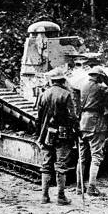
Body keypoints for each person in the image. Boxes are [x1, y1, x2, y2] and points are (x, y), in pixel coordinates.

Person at [78, 66, 108, 196]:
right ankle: (91, 188)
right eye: (102, 78)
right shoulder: (100, 87)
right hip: (95, 124)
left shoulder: (83, 86)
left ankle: (79, 187)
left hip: (83, 123)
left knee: (82, 157)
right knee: (96, 156)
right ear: (99, 76)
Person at [36, 68, 78, 205]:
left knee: (46, 164)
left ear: (52, 81)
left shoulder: (44, 94)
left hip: (47, 134)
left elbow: (39, 116)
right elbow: (72, 116)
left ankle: (44, 196)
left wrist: (40, 133)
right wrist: (76, 130)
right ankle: (60, 196)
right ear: (62, 80)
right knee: (61, 165)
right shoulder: (66, 95)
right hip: (63, 135)